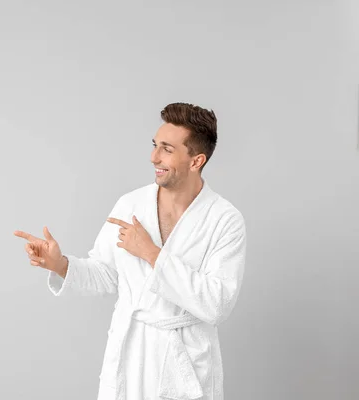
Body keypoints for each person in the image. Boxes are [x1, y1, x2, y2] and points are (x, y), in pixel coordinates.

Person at [14, 102, 247, 400]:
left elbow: (217, 305)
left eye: (167, 149)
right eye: (154, 145)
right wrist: (60, 265)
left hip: (184, 360)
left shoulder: (224, 220)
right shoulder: (131, 205)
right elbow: (106, 275)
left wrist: (151, 253)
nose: (153, 157)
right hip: (131, 353)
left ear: (196, 160)